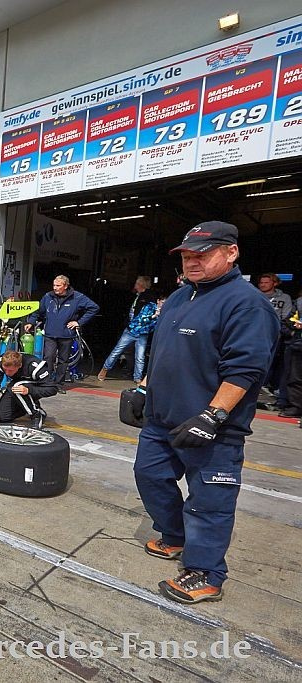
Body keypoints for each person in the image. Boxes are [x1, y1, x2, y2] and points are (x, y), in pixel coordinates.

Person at [127, 221, 278, 604]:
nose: (192, 263)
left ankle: (207, 573)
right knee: (149, 474)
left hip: (212, 428)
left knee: (209, 502)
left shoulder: (247, 303)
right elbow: (163, 351)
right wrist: (145, 389)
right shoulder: (180, 297)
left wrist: (212, 417)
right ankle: (175, 536)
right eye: (187, 256)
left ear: (231, 252)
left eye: (202, 255)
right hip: (162, 420)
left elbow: (245, 370)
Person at [24, 275, 99, 385]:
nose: (55, 288)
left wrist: (79, 322)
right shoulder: (48, 296)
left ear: (66, 286)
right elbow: (38, 311)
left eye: (58, 285)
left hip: (66, 334)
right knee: (48, 357)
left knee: (63, 360)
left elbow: (94, 308)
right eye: (54, 285)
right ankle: (46, 381)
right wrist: (31, 322)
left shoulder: (77, 297)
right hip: (50, 333)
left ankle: (58, 383)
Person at [96, 276, 157, 383]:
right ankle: (134, 377)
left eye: (137, 283)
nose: (135, 285)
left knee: (130, 354)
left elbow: (143, 316)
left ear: (141, 284)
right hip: (135, 330)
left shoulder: (148, 298)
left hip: (138, 330)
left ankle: (136, 377)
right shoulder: (138, 296)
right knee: (133, 355)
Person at [0, 350, 57, 429]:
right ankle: (29, 406)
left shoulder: (35, 367)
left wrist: (29, 390)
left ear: (20, 365)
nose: (7, 373)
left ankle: (36, 415)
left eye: (10, 370)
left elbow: (52, 389)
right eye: (5, 369)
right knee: (2, 417)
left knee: (16, 386)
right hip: (16, 387)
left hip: (33, 387)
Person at [256, 273, 296, 410]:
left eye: (266, 282)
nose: (262, 285)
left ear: (274, 283)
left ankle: (267, 389)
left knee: (270, 363)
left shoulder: (284, 298)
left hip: (274, 334)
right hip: (254, 331)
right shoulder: (254, 295)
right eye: (261, 282)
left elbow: (287, 317)